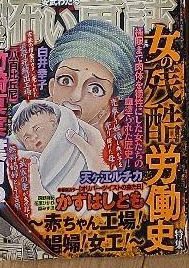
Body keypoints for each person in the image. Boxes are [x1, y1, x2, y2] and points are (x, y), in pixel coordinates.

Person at [45, 19, 137, 173]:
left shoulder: (110, 160)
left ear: (107, 108)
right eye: (66, 80)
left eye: (95, 89)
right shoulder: (20, 124)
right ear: (52, 87)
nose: (75, 96)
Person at [10, 100, 100, 198]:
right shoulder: (31, 164)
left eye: (37, 129)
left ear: (53, 123)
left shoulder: (75, 138)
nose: (33, 137)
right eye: (27, 138)